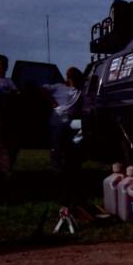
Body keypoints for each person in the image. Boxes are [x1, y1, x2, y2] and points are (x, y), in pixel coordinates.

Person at [45, 67, 85, 207]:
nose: (71, 79)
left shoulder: (79, 91)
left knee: (68, 145)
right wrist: (52, 101)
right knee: (56, 146)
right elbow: (42, 88)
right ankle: (56, 171)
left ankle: (67, 167)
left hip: (68, 122)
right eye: (70, 77)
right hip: (56, 120)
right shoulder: (58, 87)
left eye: (73, 77)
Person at [0, 54, 18, 189]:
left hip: (7, 118)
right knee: (0, 146)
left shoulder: (9, 81)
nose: (0, 67)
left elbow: (15, 94)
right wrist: (7, 94)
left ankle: (5, 172)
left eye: (3, 64)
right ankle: (5, 173)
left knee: (7, 146)